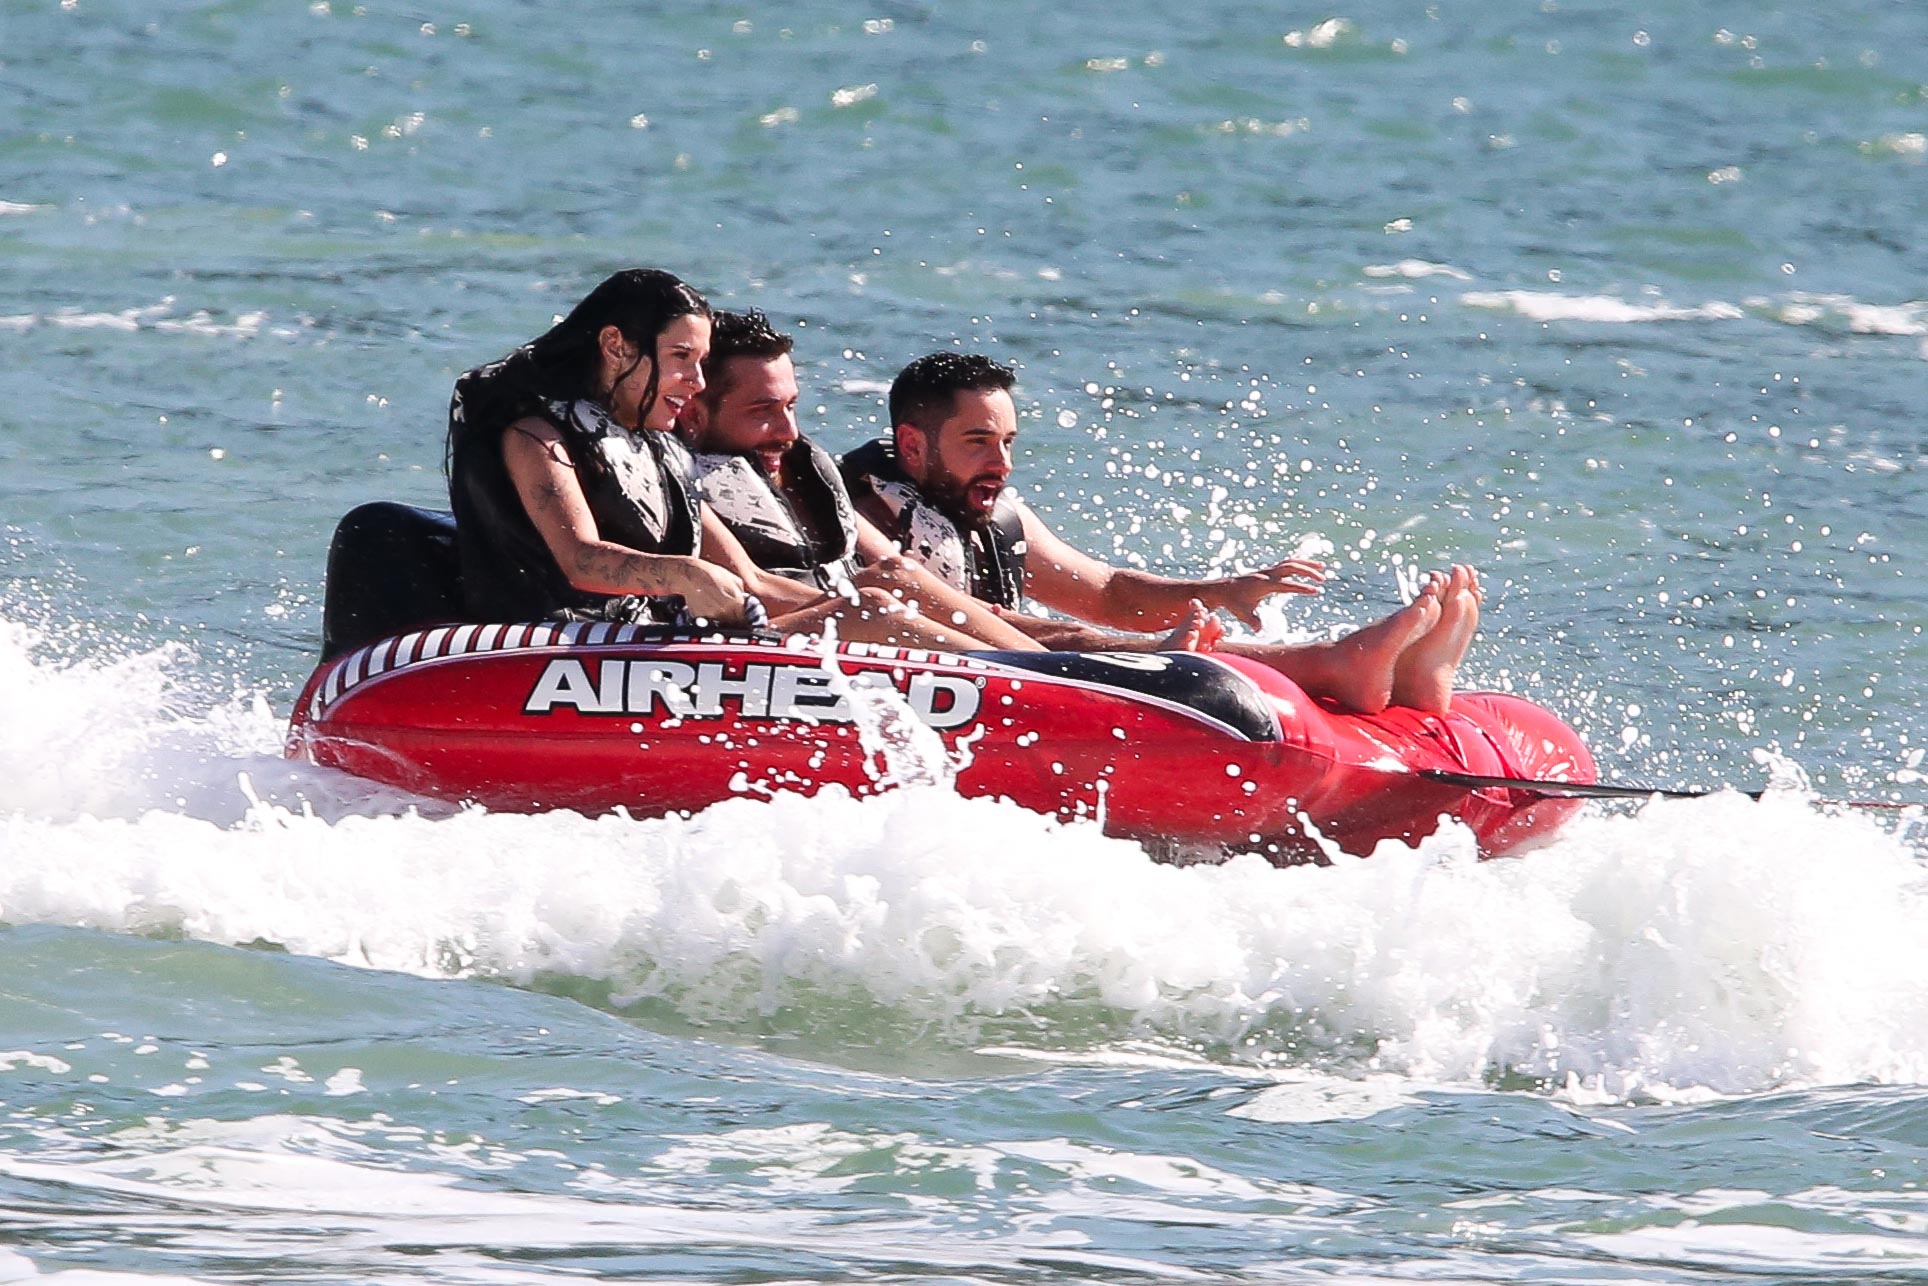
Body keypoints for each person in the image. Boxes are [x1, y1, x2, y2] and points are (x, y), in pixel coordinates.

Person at [841, 351, 1483, 714]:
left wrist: (1225, 587)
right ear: (912, 444)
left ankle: (1388, 680)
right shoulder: (862, 507)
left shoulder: (996, 514)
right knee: (1067, 636)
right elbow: (897, 599)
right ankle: (1335, 664)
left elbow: (1110, 590)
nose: (1002, 464)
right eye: (978, 442)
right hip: (913, 690)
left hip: (1000, 680)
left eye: (1008, 442)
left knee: (1080, 630)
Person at [443, 269, 1030, 653]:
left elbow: (749, 581)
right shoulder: (536, 436)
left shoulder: (660, 448)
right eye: (679, 358)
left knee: (887, 590)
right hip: (571, 651)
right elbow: (581, 560)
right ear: (615, 345)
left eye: (700, 362)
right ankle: (1043, 687)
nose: (693, 382)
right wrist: (685, 575)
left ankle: (1066, 664)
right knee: (875, 608)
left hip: (658, 645)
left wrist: (858, 604)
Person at [674, 309, 1209, 653]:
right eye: (764, 410)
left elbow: (894, 569)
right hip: (737, 649)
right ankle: (1072, 677)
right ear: (696, 412)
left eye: (791, 405)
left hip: (833, 622)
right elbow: (754, 589)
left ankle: (1123, 661)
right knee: (882, 604)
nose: (789, 429)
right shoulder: (682, 482)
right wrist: (847, 604)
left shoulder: (797, 472)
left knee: (906, 586)